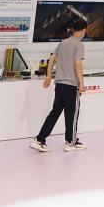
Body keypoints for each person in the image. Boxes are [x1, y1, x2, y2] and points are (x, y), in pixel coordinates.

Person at [31, 17, 88, 153]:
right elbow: (78, 64)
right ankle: (71, 142)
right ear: (83, 30)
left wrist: (49, 76)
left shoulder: (63, 43)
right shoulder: (79, 44)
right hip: (71, 85)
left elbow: (52, 59)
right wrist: (81, 83)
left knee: (55, 112)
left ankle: (39, 139)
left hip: (60, 84)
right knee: (72, 114)